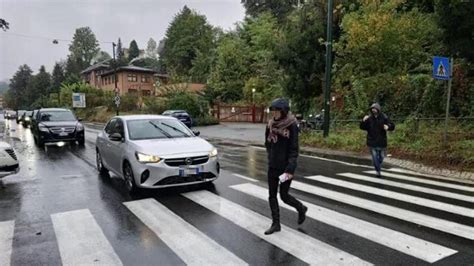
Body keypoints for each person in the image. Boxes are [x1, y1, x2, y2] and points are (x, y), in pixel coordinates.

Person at [264, 98, 308, 235]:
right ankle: (275, 224)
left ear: (283, 111)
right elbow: (267, 143)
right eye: (273, 111)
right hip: (273, 165)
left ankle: (301, 208)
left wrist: (290, 166)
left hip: (286, 167)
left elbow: (294, 148)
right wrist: (271, 155)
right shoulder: (270, 124)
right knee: (272, 195)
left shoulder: (291, 125)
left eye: (277, 110)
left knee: (284, 195)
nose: (274, 113)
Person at [360, 103, 395, 177]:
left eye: (375, 109)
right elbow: (362, 127)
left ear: (378, 110)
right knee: (375, 156)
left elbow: (392, 125)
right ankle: (378, 171)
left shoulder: (384, 117)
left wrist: (388, 127)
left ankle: (377, 166)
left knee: (382, 156)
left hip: (381, 141)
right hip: (372, 141)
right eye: (372, 109)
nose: (373, 111)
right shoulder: (369, 118)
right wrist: (363, 121)